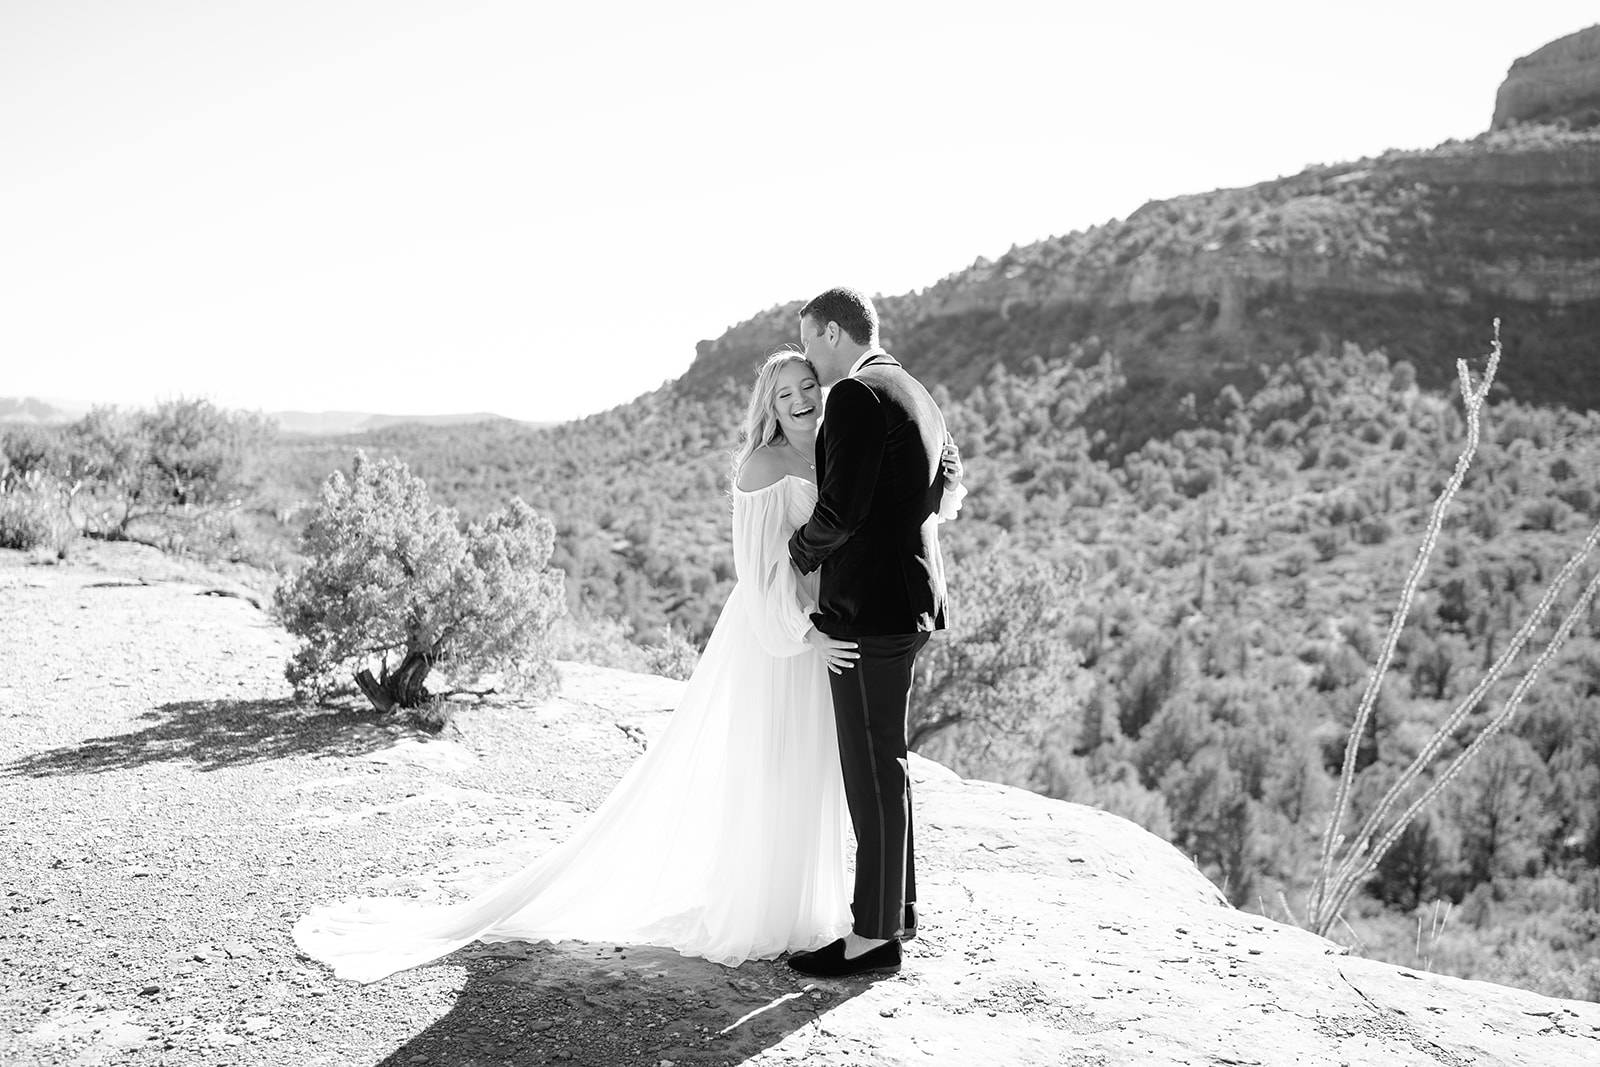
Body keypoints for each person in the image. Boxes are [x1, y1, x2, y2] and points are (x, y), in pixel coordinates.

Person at [293, 351, 961, 983]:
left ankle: (812, 911)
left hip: (830, 632)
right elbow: (760, 573)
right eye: (784, 394)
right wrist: (805, 632)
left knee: (813, 774)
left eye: (807, 388)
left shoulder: (834, 450)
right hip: (780, 637)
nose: (800, 401)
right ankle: (761, 912)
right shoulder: (760, 467)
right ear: (769, 405)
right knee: (773, 769)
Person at [785, 287, 954, 979]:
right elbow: (946, 482)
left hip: (867, 610)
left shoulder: (857, 393)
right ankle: (898, 911)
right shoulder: (915, 390)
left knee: (870, 768)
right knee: (890, 760)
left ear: (831, 331)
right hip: (910, 600)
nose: (808, 360)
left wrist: (795, 554)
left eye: (808, 341)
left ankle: (872, 936)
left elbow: (842, 508)